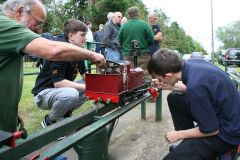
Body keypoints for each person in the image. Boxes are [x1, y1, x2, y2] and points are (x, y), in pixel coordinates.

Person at [0, 0, 105, 133]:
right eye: (39, 23)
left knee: (87, 85)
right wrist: (93, 56)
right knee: (73, 92)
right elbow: (53, 52)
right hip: (46, 92)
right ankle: (50, 121)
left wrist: (12, 110)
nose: (39, 31)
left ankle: (64, 115)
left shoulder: (8, 33)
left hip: (6, 119)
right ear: (20, 12)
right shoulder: (4, 25)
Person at [147, 48, 240, 160]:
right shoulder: (193, 63)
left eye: (159, 78)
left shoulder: (195, 88)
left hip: (228, 135)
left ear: (169, 75)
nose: (160, 81)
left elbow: (211, 130)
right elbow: (200, 89)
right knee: (174, 98)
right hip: (226, 116)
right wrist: (171, 87)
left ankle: (223, 152)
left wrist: (178, 134)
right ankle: (189, 145)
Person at [32, 19, 89, 127]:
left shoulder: (78, 50)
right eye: (82, 35)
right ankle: (49, 122)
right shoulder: (59, 50)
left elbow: (84, 74)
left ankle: (65, 115)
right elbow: (58, 83)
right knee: (72, 94)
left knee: (93, 85)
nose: (85, 38)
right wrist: (86, 87)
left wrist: (98, 82)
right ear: (71, 36)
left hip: (61, 92)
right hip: (43, 94)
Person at [119, 6, 154, 81]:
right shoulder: (144, 25)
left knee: (129, 74)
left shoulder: (124, 26)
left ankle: (131, 92)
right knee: (145, 73)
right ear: (138, 14)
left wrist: (126, 48)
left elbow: (120, 40)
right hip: (143, 53)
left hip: (128, 54)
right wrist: (144, 46)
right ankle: (148, 91)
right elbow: (151, 39)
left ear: (129, 15)